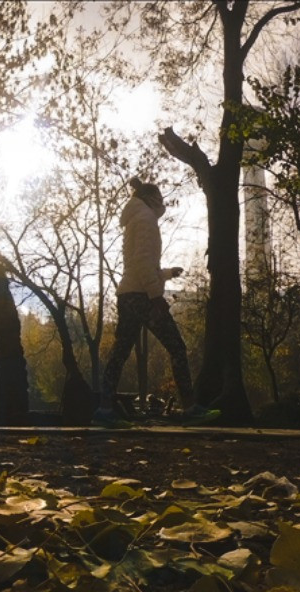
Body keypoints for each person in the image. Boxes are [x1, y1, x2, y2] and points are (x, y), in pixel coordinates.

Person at [94, 178, 219, 427]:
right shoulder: (146, 219)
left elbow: (139, 264)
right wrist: (156, 297)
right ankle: (190, 408)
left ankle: (104, 411)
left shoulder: (134, 219)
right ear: (152, 199)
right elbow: (142, 263)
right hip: (142, 298)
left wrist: (166, 273)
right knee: (176, 347)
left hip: (127, 295)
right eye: (160, 198)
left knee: (119, 353)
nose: (163, 203)